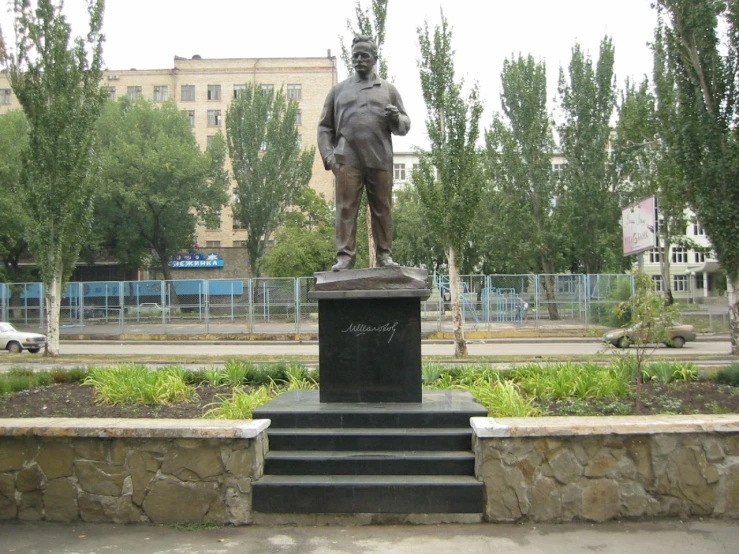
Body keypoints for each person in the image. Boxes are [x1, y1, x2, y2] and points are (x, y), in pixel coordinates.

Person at [317, 35, 410, 271]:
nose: (359, 60)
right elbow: (324, 127)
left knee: (382, 207)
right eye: (355, 55)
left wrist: (396, 119)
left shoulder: (388, 90)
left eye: (364, 56)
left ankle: (385, 255)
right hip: (347, 159)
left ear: (375, 59)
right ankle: (345, 257)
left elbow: (405, 124)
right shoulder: (338, 91)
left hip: (379, 158)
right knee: (346, 208)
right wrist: (329, 157)